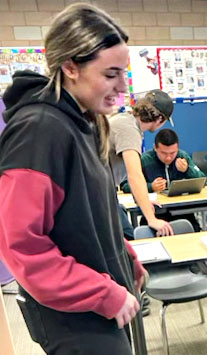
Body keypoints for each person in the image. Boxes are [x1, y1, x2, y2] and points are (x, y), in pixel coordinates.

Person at [0, 4, 144, 354]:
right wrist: (103, 292)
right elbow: (22, 245)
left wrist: (126, 257)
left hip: (99, 298)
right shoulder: (39, 130)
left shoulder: (86, 123)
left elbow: (89, 214)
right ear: (70, 67)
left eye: (123, 74)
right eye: (111, 74)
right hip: (73, 315)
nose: (121, 87)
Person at [109, 89, 174, 240]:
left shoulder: (126, 121)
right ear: (159, 119)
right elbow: (135, 175)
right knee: (129, 243)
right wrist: (152, 219)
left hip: (103, 192)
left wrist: (143, 198)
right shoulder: (129, 129)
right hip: (95, 194)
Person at [122, 128, 205, 231]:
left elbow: (202, 180)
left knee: (193, 230)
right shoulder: (144, 160)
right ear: (155, 148)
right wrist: (150, 187)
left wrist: (187, 170)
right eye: (164, 153)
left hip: (182, 211)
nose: (169, 157)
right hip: (155, 213)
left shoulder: (182, 156)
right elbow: (125, 186)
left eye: (172, 153)